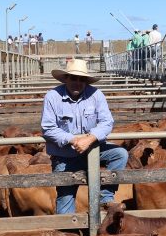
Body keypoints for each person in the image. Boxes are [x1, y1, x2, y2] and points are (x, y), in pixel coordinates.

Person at [41, 58, 128, 215]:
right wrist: (73, 139)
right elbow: (48, 128)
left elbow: (107, 122)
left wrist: (90, 139)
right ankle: (68, 234)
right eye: (73, 78)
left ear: (86, 81)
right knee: (65, 199)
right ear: (66, 78)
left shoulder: (96, 95)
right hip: (65, 157)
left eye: (82, 79)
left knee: (120, 154)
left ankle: (105, 197)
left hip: (93, 150)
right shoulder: (52, 97)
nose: (77, 82)